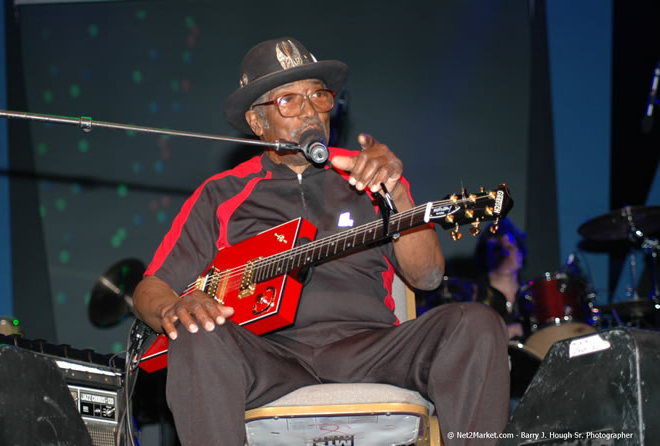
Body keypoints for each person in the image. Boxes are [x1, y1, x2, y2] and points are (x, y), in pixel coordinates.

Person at [133, 37, 510, 445]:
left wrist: (396, 192)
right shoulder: (220, 195)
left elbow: (429, 277)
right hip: (266, 357)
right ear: (259, 123)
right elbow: (150, 289)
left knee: (476, 324)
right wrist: (175, 308)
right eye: (289, 101)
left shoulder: (370, 176)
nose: (310, 111)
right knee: (194, 331)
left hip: (370, 348)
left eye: (318, 95)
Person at [473, 219, 527, 340]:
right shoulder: (473, 294)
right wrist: (507, 332)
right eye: (496, 249)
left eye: (510, 247)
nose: (504, 253)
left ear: (521, 254)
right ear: (485, 256)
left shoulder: (531, 295)